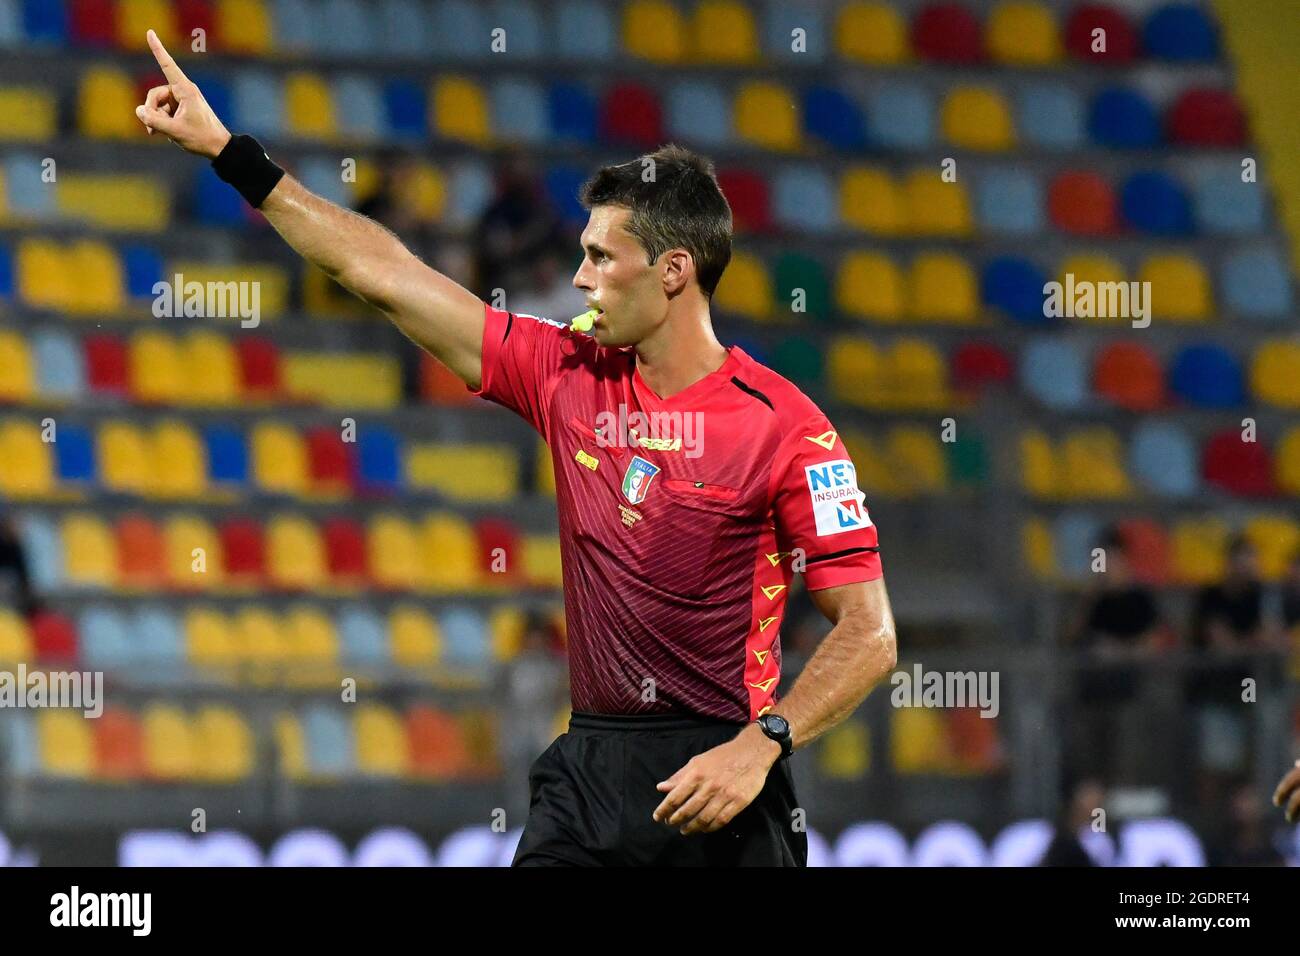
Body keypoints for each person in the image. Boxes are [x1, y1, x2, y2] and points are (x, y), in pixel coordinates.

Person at [134, 30, 898, 867]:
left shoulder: (786, 426)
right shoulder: (565, 370)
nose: (579, 278)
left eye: (601, 258)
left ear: (674, 271)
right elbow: (387, 277)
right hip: (587, 774)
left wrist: (764, 745)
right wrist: (235, 157)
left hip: (721, 778)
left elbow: (868, 633)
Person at [1065, 527, 1164, 785]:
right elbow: (1068, 638)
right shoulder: (1090, 599)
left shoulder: (1139, 598)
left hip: (1127, 696)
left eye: (1110, 558)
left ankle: (1120, 817)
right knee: (1088, 766)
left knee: (1124, 764)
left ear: (1123, 559)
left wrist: (1117, 651)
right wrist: (1089, 597)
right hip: (1090, 697)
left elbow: (1153, 643)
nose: (1105, 566)